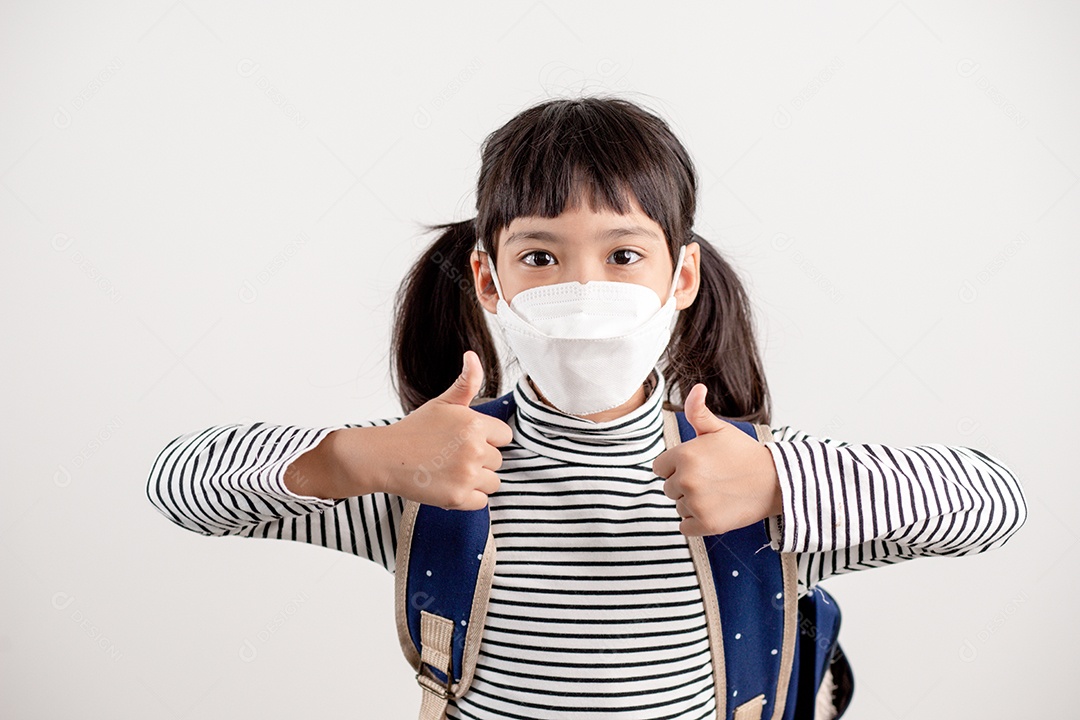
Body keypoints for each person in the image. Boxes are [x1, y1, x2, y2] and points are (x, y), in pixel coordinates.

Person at [145, 95, 1027, 720]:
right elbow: (179, 485)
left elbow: (992, 505)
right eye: (540, 257)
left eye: (622, 255)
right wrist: (357, 460)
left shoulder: (747, 476)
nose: (581, 286)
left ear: (679, 278)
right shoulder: (430, 470)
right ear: (488, 281)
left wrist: (779, 482)